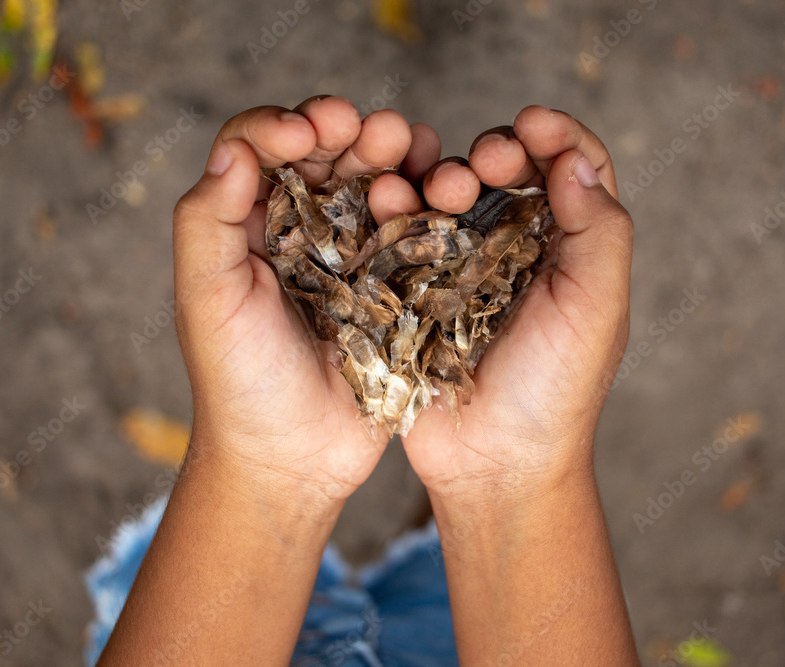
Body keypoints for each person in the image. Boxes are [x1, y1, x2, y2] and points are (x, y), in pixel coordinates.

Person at [85, 97, 640, 666]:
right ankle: (440, 507)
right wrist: (508, 486)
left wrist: (263, 477)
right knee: (430, 588)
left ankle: (437, 497)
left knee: (427, 578)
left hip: (224, 613)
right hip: (495, 624)